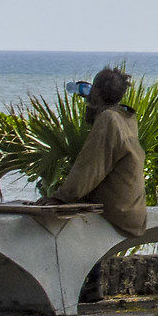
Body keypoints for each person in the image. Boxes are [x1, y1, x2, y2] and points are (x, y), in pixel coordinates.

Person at [48, 66, 147, 234]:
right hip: (133, 215)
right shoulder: (126, 118)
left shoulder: (108, 119)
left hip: (118, 215)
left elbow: (89, 168)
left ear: (95, 93)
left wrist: (60, 198)